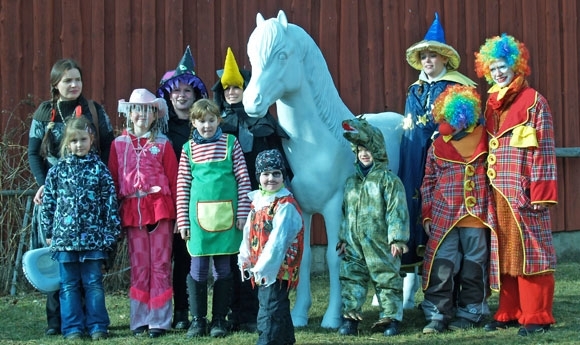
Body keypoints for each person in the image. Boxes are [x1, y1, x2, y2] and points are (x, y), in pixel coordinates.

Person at [474, 33, 558, 337]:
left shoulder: (535, 102)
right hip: (499, 191)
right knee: (506, 251)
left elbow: (545, 151)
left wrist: (542, 193)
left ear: (517, 65)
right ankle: (509, 310)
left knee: (532, 251)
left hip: (524, 190)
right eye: (493, 68)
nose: (498, 73)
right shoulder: (491, 103)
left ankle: (537, 314)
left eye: (503, 66)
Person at [27, 58, 115, 336]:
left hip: (90, 200)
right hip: (58, 191)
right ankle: (62, 324)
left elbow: (109, 147)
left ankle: (95, 323)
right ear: (56, 85)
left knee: (91, 280)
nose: (74, 84)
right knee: (63, 276)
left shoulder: (94, 110)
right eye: (67, 80)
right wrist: (43, 184)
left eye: (77, 79)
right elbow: (33, 153)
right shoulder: (45, 113)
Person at [397, 12, 477, 310]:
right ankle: (418, 291)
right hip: (412, 162)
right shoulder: (414, 90)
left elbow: (466, 128)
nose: (428, 61)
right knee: (414, 215)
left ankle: (450, 295)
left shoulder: (457, 89)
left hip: (442, 165)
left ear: (445, 59)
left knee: (443, 225)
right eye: (424, 56)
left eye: (433, 56)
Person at [212, 47, 290, 332]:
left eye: (237, 87)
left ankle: (259, 312)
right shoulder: (216, 124)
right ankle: (236, 312)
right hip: (229, 199)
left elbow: (278, 157)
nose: (232, 92)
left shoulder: (263, 121)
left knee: (260, 252)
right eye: (227, 88)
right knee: (236, 256)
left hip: (261, 198)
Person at [419, 85, 497, 334]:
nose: (454, 123)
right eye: (450, 118)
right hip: (444, 214)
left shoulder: (485, 139)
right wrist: (427, 213)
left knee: (475, 265)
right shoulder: (438, 145)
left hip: (476, 215)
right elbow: (428, 181)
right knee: (442, 264)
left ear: (467, 116)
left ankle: (472, 310)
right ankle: (437, 313)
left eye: (459, 118)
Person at [176, 98, 251, 338]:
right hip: (197, 220)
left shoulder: (231, 143)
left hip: (227, 218)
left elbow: (243, 180)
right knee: (197, 267)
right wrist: (183, 221)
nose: (206, 125)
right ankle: (198, 321)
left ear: (219, 120)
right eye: (201, 121)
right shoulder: (187, 149)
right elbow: (182, 186)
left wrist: (243, 214)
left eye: (211, 120)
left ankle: (219, 319)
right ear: (193, 122)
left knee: (223, 268)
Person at [40, 116, 120, 341]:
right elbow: (49, 204)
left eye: (83, 139)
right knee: (68, 286)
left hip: (94, 240)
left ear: (91, 139)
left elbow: (109, 203)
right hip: (64, 241)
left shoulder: (99, 170)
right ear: (67, 143)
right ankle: (72, 327)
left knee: (93, 283)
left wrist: (110, 233)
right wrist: (48, 233)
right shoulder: (57, 172)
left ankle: (97, 326)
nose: (79, 145)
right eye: (74, 141)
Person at [108, 88, 178, 338]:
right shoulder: (118, 145)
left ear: (155, 115)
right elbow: (114, 180)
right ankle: (139, 319)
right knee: (139, 266)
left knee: (159, 265)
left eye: (148, 111)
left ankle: (159, 320)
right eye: (138, 110)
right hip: (132, 212)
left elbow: (173, 179)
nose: (142, 115)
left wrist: (179, 216)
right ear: (129, 113)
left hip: (160, 210)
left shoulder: (163, 144)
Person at [337, 117, 409, 337]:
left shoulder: (388, 180)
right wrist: (342, 237)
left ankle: (391, 318)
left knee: (386, 277)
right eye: (360, 150)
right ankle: (351, 319)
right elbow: (345, 212)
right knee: (351, 277)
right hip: (354, 241)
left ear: (377, 150)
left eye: (368, 150)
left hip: (380, 241)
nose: (364, 154)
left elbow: (397, 211)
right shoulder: (351, 182)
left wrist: (397, 239)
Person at [156, 45, 208, 330]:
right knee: (175, 258)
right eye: (177, 91)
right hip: (170, 202)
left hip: (201, 201)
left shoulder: (205, 126)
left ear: (195, 95)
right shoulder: (162, 128)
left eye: (188, 91)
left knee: (197, 258)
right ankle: (178, 312)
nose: (182, 95)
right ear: (169, 94)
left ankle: (200, 312)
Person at [238, 149, 304, 345]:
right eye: (266, 174)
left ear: (283, 176)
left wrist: (264, 267)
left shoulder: (285, 205)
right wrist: (245, 256)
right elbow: (248, 233)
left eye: (276, 173)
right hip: (262, 267)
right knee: (277, 305)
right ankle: (285, 340)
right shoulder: (258, 202)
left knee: (268, 308)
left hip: (278, 268)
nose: (271, 178)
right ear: (258, 176)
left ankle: (266, 340)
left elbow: (278, 241)